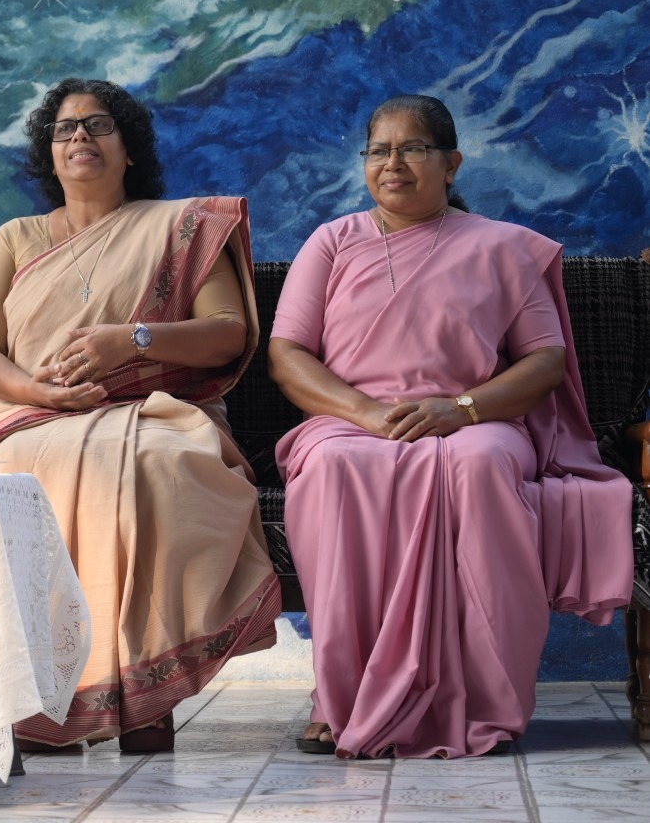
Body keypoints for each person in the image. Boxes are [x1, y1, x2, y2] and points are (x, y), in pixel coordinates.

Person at [269, 94, 631, 759]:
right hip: (351, 421)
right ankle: (343, 700)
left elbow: (544, 361)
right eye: (379, 150)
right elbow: (288, 354)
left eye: (413, 148)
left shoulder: (502, 248)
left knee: (480, 463)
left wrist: (458, 410)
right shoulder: (332, 242)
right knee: (332, 467)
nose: (393, 163)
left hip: (475, 418)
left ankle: (483, 704)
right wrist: (366, 413)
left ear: (452, 163)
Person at [0, 78, 281, 752]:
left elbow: (227, 332)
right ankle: (37, 699)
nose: (80, 136)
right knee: (11, 477)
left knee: (158, 467)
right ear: (49, 155)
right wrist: (39, 394)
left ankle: (144, 699)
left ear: (129, 148)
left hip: (155, 413)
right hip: (33, 417)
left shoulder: (182, 228)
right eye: (65, 129)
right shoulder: (16, 238)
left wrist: (132, 340)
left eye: (99, 125)